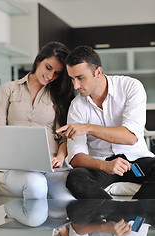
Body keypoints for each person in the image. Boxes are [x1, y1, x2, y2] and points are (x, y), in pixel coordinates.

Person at [56, 45, 155, 199]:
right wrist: (104, 165)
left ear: (98, 72)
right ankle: (111, 214)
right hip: (101, 165)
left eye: (80, 78)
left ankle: (135, 212)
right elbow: (76, 157)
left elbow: (130, 137)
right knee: (76, 178)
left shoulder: (130, 87)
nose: (75, 86)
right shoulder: (77, 106)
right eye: (72, 79)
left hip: (136, 161)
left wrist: (88, 128)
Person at [0, 41, 75, 199]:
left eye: (57, 73)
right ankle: (13, 212)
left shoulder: (58, 95)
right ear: (38, 61)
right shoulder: (9, 89)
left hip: (52, 168)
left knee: (68, 203)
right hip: (18, 168)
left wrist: (59, 158)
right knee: (35, 185)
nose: (50, 76)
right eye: (48, 68)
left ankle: (18, 214)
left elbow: (64, 136)